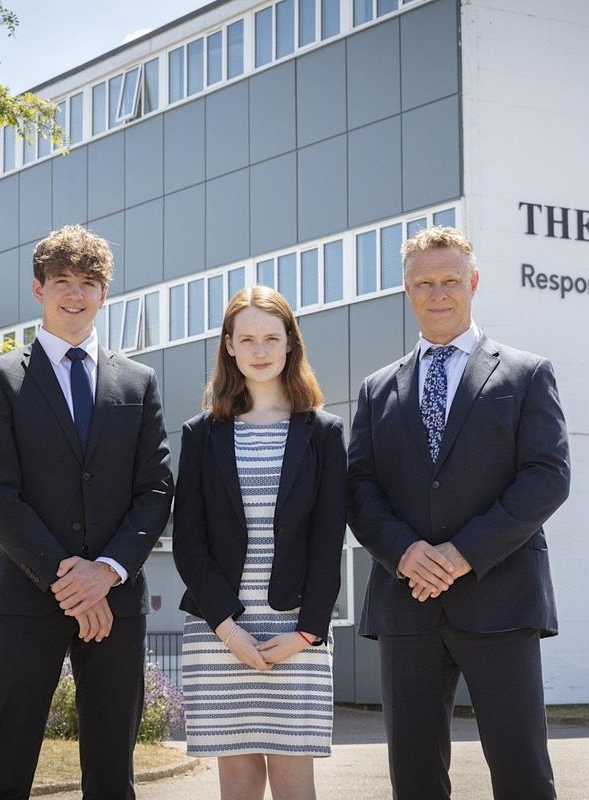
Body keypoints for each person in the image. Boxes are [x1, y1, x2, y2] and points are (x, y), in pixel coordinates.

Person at [347, 226, 570, 800]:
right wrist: (404, 553)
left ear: (474, 282)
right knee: (414, 777)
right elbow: (360, 489)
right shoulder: (376, 389)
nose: (438, 293)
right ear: (407, 290)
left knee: (522, 771)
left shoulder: (526, 373)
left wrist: (462, 552)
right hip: (407, 605)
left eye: (450, 280)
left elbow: (547, 477)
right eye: (424, 283)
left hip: (501, 599)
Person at [0, 224, 174, 800]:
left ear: (104, 294)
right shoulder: (1, 378)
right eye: (62, 280)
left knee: (112, 773)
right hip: (30, 599)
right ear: (38, 288)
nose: (75, 294)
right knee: (6, 767)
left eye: (88, 282)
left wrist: (105, 572)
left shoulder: (138, 382)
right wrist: (70, 579)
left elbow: (157, 489)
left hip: (117, 601)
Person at [172, 286, 346, 800]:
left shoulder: (324, 432)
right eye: (246, 339)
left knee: (294, 785)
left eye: (271, 338)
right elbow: (188, 543)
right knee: (240, 785)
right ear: (229, 345)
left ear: (291, 342)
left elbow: (328, 542)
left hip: (296, 631)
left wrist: (307, 632)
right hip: (219, 630)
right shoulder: (201, 434)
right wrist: (229, 631)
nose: (260, 350)